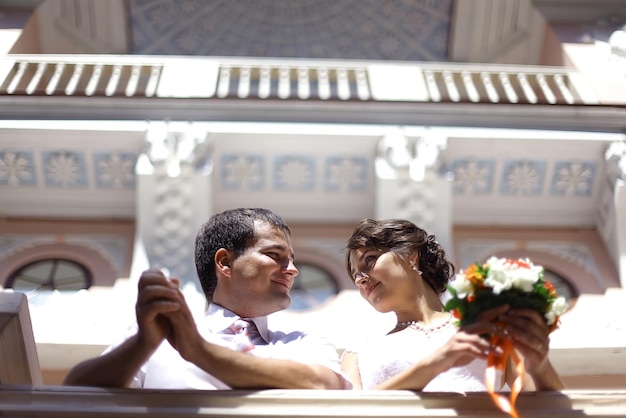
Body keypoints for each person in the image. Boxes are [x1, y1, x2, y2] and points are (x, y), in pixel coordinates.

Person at [63, 208, 349, 390]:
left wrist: (199, 351)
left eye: (291, 260)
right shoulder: (155, 339)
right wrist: (143, 344)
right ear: (224, 262)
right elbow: (74, 393)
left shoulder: (304, 342)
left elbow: (324, 385)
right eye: (275, 256)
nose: (293, 270)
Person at [341, 218, 565, 392]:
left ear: (411, 255)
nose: (360, 278)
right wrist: (437, 362)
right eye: (354, 275)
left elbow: (548, 409)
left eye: (370, 259)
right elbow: (349, 414)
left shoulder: (488, 329)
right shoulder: (357, 355)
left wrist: (540, 367)